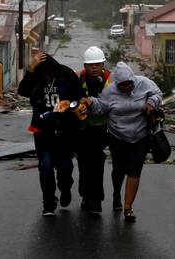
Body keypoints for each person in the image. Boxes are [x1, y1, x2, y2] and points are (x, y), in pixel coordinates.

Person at [82, 62, 162, 222]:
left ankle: (128, 208)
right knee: (119, 169)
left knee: (135, 170)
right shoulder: (109, 92)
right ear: (116, 84)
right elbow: (100, 108)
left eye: (129, 84)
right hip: (117, 136)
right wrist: (90, 102)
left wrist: (151, 102)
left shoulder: (145, 83)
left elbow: (157, 94)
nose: (126, 88)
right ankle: (117, 193)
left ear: (133, 79)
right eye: (122, 86)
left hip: (141, 135)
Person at [18, 51, 84, 216]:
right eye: (42, 74)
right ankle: (48, 203)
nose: (46, 77)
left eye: (48, 73)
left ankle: (65, 189)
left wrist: (69, 105)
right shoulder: (36, 77)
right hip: (42, 130)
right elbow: (23, 91)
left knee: (65, 167)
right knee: (45, 167)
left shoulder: (67, 75)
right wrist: (30, 70)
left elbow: (79, 98)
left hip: (65, 130)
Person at [75, 46, 111, 215]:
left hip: (101, 130)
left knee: (97, 163)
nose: (94, 67)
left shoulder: (110, 81)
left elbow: (112, 104)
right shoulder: (78, 78)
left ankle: (96, 200)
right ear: (85, 65)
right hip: (82, 130)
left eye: (98, 64)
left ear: (103, 64)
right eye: (91, 65)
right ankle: (85, 194)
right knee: (83, 163)